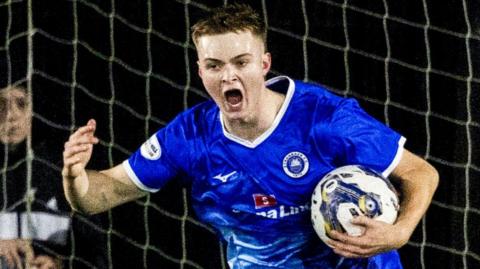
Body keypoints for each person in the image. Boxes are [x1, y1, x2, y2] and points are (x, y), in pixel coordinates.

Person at [62, 3, 439, 269]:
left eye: (241, 63)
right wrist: (74, 177)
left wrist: (400, 232)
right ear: (200, 70)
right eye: (214, 66)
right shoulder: (190, 137)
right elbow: (99, 196)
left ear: (264, 64)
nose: (228, 77)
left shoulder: (326, 120)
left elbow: (421, 173)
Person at [0, 86, 107, 269]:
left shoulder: (62, 171)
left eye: (21, 103)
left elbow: (97, 253)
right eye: (0, 105)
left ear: (33, 110)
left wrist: (59, 264)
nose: (11, 115)